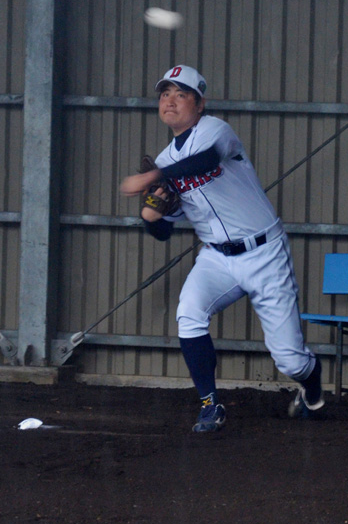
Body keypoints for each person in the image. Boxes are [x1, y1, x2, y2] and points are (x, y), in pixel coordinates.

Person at [120, 64, 324, 432]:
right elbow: (165, 232)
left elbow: (207, 160)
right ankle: (210, 405)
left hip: (264, 252)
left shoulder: (214, 130)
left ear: (199, 104)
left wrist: (153, 177)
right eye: (165, 93)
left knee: (290, 361)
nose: (170, 100)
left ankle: (311, 381)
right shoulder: (166, 161)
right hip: (215, 257)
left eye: (181, 94)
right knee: (189, 313)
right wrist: (151, 218)